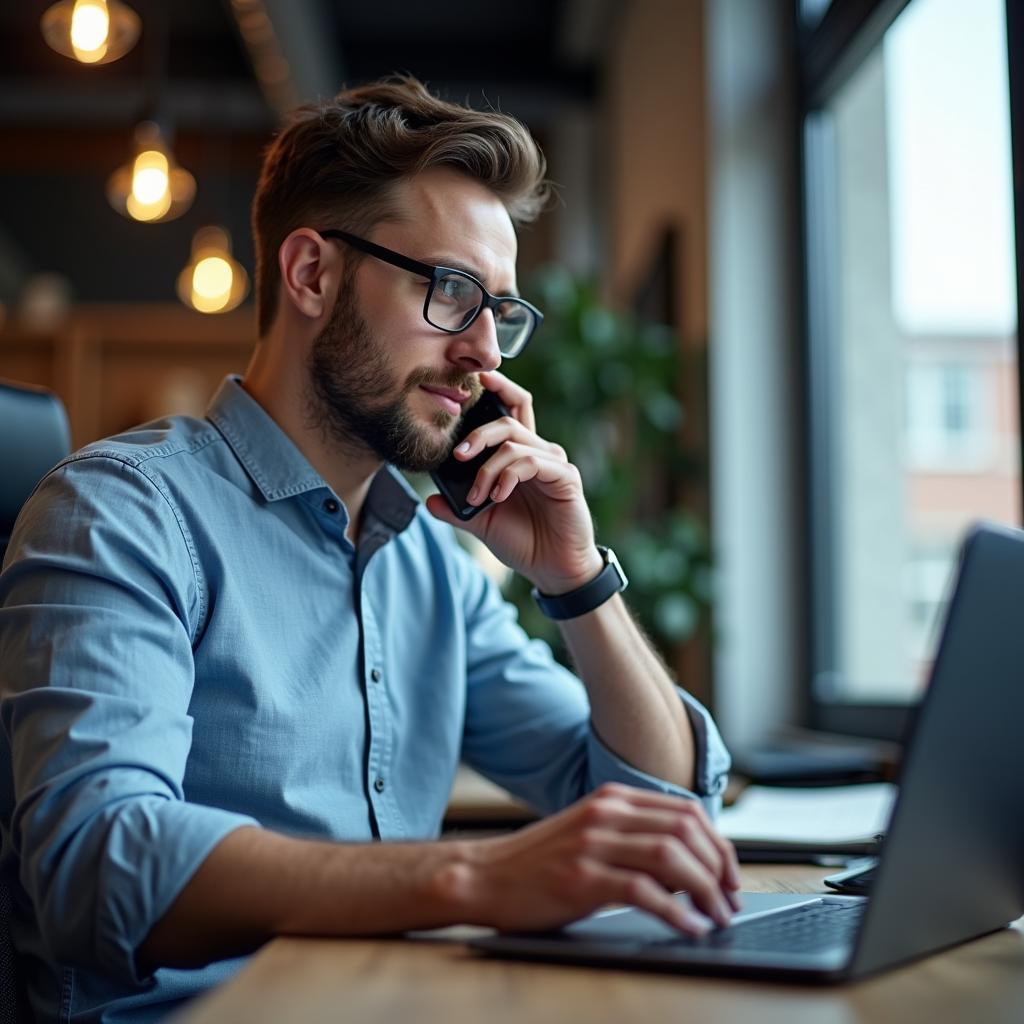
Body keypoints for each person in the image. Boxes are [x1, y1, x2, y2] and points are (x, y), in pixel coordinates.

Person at [0, 76, 738, 1022]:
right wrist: (472, 878)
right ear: (312, 274)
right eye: (452, 291)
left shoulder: (432, 564)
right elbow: (96, 866)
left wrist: (576, 579)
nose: (488, 351)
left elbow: (661, 804)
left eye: (500, 311)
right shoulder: (121, 512)